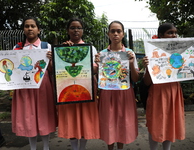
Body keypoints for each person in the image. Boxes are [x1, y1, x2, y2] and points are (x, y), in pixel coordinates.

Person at [12, 17, 57, 150]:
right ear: (23, 29)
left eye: (33, 26)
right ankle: (32, 147)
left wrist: (51, 60)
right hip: (24, 87)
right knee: (28, 116)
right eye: (27, 26)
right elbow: (15, 69)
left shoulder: (46, 46)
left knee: (44, 114)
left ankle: (46, 146)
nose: (30, 28)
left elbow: (53, 69)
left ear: (38, 30)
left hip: (43, 86)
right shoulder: (17, 48)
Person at [95, 21, 139, 150]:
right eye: (112, 31)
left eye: (118, 31)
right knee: (108, 122)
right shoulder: (102, 54)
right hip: (107, 92)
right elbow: (99, 79)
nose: (115, 34)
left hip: (125, 92)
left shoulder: (130, 53)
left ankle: (120, 148)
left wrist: (131, 63)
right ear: (108, 34)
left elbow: (136, 78)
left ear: (123, 34)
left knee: (122, 122)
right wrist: (97, 66)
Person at [57, 18, 100, 150]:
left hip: (86, 88)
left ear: (82, 30)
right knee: (71, 119)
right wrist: (63, 52)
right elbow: (58, 70)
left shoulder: (90, 48)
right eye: (72, 27)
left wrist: (96, 64)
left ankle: (82, 148)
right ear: (67, 30)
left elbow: (94, 69)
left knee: (85, 119)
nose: (76, 30)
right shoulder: (62, 48)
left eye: (79, 28)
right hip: (68, 88)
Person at [142, 23, 185, 150]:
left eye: (175, 33)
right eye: (170, 33)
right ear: (160, 35)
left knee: (170, 123)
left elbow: (184, 73)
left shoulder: (179, 53)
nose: (174, 35)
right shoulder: (152, 54)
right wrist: (147, 67)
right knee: (156, 124)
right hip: (157, 93)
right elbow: (146, 82)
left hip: (173, 91)